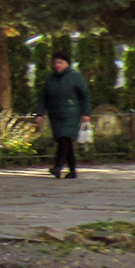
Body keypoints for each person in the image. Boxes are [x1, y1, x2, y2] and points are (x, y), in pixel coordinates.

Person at [35, 51, 92, 180]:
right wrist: (40, 113)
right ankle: (72, 170)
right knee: (64, 140)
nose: (57, 65)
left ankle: (57, 167)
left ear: (67, 63)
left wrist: (86, 112)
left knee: (64, 138)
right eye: (55, 62)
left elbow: (85, 95)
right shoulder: (50, 78)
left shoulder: (75, 77)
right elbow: (43, 97)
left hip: (71, 113)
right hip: (55, 114)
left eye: (60, 62)